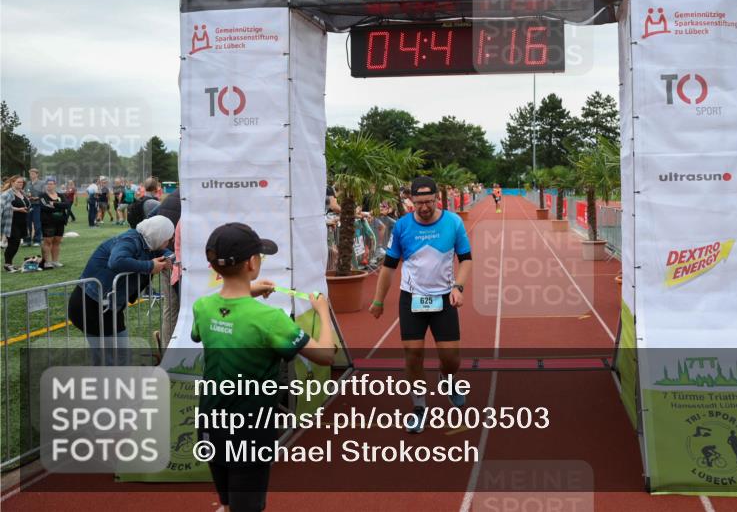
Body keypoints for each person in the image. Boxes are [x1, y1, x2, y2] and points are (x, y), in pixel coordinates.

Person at [194, 222, 337, 512]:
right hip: (250, 429)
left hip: (210, 423)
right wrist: (323, 311)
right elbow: (326, 355)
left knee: (230, 501)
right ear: (252, 263)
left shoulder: (202, 306)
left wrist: (249, 291)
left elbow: (212, 324)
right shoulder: (271, 319)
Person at [370, 176, 472, 433]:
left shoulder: (453, 222)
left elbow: (466, 259)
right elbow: (389, 268)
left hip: (444, 298)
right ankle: (419, 407)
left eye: (428, 201)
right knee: (413, 356)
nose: (424, 207)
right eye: (418, 203)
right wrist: (378, 300)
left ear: (437, 198)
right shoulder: (402, 227)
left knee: (452, 360)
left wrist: (458, 287)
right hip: (412, 298)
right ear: (411, 202)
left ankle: (447, 380)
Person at [68, 215, 173, 365]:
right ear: (159, 235)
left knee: (117, 358)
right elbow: (116, 261)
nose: (168, 241)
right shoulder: (130, 240)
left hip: (108, 307)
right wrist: (150, 266)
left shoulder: (148, 242)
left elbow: (163, 252)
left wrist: (170, 258)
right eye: (167, 238)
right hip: (90, 305)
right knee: (111, 360)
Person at [39, 178, 70, 269]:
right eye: (48, 184)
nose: (50, 185)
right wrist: (60, 206)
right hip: (48, 222)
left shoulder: (60, 195)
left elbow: (67, 204)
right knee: (48, 242)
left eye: (52, 184)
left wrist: (54, 204)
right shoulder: (42, 195)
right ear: (45, 185)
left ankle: (55, 261)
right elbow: (45, 207)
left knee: (57, 241)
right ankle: (47, 262)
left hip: (60, 221)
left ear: (55, 185)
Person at [2, 176, 30, 272]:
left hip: (22, 222)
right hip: (11, 222)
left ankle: (10, 263)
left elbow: (25, 203)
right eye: (18, 182)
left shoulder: (22, 192)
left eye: (22, 182)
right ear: (13, 182)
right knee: (13, 243)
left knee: (16, 243)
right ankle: (7, 264)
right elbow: (4, 206)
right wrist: (18, 209)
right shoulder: (7, 193)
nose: (20, 184)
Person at [25, 168, 44, 246]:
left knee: (37, 223)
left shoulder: (42, 183)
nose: (31, 175)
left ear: (37, 174)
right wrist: (27, 196)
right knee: (27, 223)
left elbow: (44, 194)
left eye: (33, 174)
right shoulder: (28, 183)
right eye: (30, 174)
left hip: (37, 205)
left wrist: (37, 198)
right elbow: (25, 192)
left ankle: (37, 240)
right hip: (28, 205)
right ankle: (27, 240)